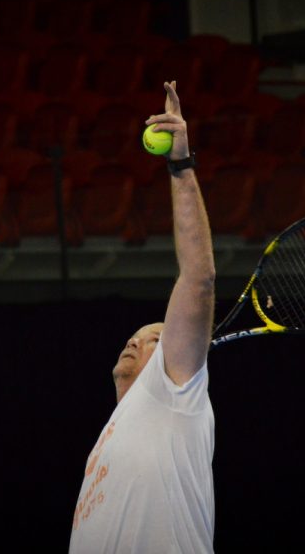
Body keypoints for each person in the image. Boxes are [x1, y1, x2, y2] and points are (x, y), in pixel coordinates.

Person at [68, 81, 216, 553]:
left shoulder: (173, 391)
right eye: (135, 335)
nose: (134, 341)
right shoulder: (110, 436)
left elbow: (198, 278)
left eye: (154, 338)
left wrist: (181, 166)